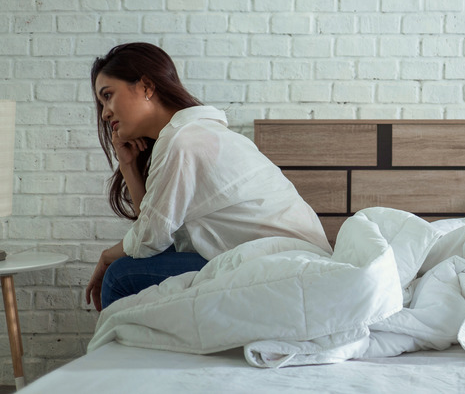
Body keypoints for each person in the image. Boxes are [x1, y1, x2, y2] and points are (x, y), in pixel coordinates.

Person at [86, 42, 332, 311]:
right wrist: (129, 167)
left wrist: (106, 256)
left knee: (120, 276)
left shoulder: (184, 140)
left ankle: (121, 352)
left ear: (146, 86)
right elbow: (154, 229)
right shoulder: (192, 133)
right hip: (282, 257)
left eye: (108, 96)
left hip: (283, 264)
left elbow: (149, 239)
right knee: (134, 264)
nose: (105, 112)